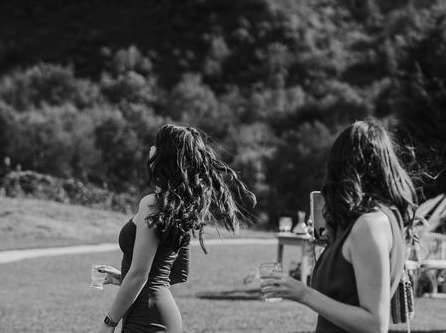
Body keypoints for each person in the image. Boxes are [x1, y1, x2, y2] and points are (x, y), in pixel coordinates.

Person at [261, 118, 417, 333]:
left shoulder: (369, 225)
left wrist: (303, 293)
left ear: (343, 167)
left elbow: (374, 324)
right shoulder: (383, 217)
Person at [96, 124, 256, 333]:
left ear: (163, 155)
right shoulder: (179, 208)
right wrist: (124, 278)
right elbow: (179, 273)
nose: (150, 149)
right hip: (166, 317)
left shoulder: (152, 204)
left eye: (155, 145)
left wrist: (108, 323)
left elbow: (139, 275)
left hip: (145, 318)